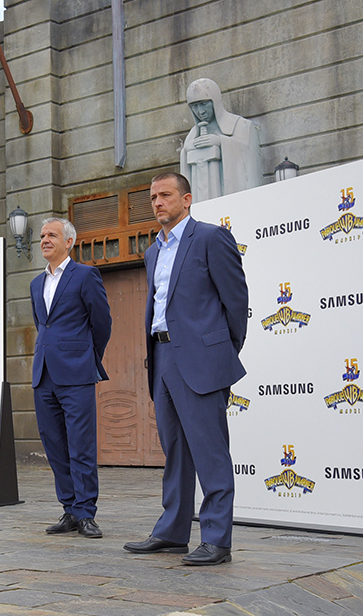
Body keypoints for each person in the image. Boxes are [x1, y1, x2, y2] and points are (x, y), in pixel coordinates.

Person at [124, 172, 247, 565]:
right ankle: (172, 532)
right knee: (174, 450)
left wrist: (221, 351)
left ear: (187, 199)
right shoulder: (152, 252)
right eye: (153, 197)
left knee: (210, 451)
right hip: (162, 357)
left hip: (201, 358)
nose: (158, 202)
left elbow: (236, 300)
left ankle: (216, 539)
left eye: (165, 195)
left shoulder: (211, 238)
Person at [30, 217, 112, 539]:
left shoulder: (85, 275)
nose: (45, 240)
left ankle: (86, 513)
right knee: (55, 446)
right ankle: (70, 509)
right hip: (44, 375)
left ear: (68, 242)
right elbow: (42, 325)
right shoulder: (36, 284)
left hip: (76, 373)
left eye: (52, 235)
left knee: (81, 446)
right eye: (42, 235)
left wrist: (86, 356)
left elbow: (102, 322)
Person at [179, 78, 261, 202]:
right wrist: (187, 151)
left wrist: (220, 142)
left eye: (204, 104)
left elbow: (248, 162)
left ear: (215, 101)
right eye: (194, 106)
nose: (200, 111)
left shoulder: (240, 125)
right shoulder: (192, 135)